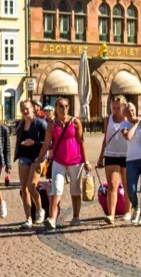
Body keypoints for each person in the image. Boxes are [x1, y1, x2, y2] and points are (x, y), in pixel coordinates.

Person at [37, 97, 87, 230]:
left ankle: (76, 216)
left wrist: (86, 160)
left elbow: (81, 141)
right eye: (60, 106)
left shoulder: (75, 122)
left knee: (75, 190)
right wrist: (39, 160)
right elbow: (47, 144)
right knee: (56, 188)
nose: (63, 109)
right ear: (56, 108)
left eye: (66, 106)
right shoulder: (52, 124)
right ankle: (52, 218)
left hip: (75, 160)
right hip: (59, 160)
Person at [13, 101, 48, 229]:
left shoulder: (41, 123)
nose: (25, 111)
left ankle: (39, 209)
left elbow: (48, 142)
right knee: (24, 189)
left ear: (33, 109)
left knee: (32, 186)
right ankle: (28, 219)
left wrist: (34, 142)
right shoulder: (20, 124)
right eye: (22, 109)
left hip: (37, 157)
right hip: (23, 157)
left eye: (27, 109)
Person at [97, 96, 131, 225]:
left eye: (118, 107)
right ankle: (110, 214)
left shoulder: (128, 120)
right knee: (112, 185)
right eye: (114, 108)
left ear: (124, 107)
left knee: (127, 185)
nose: (116, 110)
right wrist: (101, 156)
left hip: (127, 155)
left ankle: (128, 211)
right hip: (111, 154)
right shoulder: (108, 119)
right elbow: (106, 138)